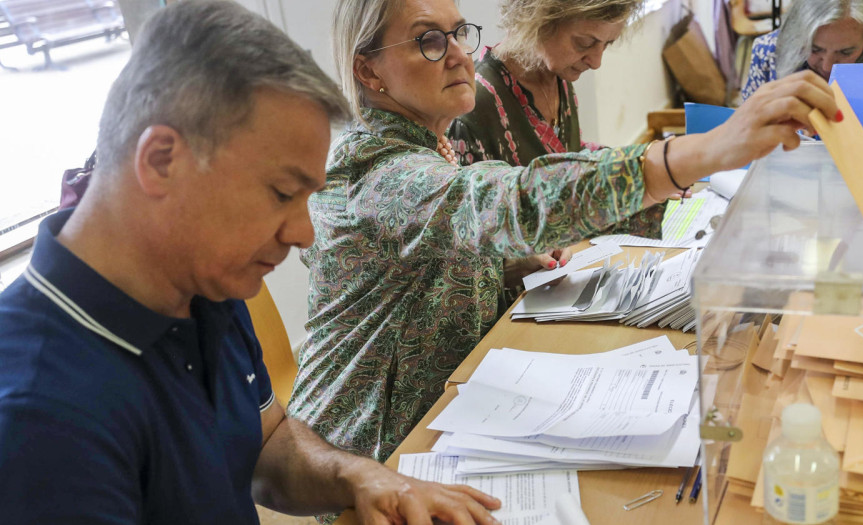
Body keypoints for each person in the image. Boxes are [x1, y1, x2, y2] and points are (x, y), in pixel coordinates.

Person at [0, 2, 502, 523]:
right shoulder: (41, 415)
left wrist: (361, 475)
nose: (304, 235)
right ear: (159, 162)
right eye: (282, 193)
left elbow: (265, 445)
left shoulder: (201, 285)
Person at [290, 0, 840, 469]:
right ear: (369, 72)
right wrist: (703, 152)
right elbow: (503, 199)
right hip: (373, 452)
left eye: (458, 33)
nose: (458, 52)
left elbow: (434, 249)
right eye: (429, 42)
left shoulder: (423, 143)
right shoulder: (375, 171)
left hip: (449, 409)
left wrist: (504, 265)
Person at [448, 0, 640, 166]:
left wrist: (635, 161)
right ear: (539, 19)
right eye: (584, 43)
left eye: (607, 44)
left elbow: (565, 155)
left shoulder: (557, 75)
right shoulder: (472, 107)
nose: (596, 62)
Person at [741, 0, 863, 101]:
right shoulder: (769, 51)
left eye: (845, 52)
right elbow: (746, 131)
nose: (828, 66)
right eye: (815, 49)